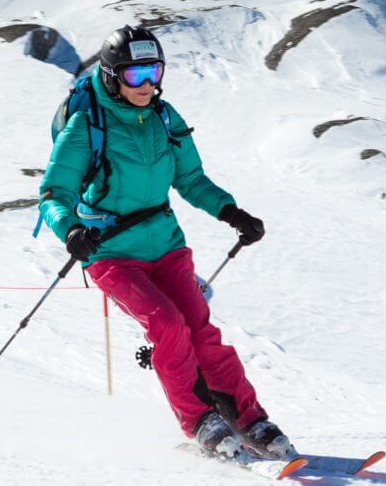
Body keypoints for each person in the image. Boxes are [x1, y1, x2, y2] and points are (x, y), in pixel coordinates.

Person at [38, 26, 290, 460]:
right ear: (113, 76)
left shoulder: (164, 117)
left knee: (203, 334)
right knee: (169, 326)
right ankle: (200, 421)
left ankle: (249, 421)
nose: (148, 85)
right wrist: (71, 229)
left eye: (154, 72)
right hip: (112, 252)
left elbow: (190, 179)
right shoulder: (87, 125)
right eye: (135, 76)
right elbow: (53, 193)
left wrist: (231, 212)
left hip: (167, 245)